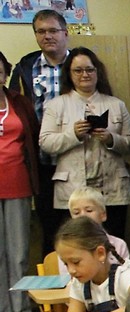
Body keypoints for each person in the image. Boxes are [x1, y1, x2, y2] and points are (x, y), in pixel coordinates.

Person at [38, 46, 130, 238]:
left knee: (113, 241)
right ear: (69, 74)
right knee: (76, 243)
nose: (85, 75)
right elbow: (45, 143)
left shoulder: (116, 104)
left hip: (112, 189)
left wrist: (111, 139)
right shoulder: (56, 105)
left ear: (98, 72)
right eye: (78, 70)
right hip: (72, 191)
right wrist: (73, 135)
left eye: (90, 69)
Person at [10, 8, 69, 255]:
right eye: (41, 31)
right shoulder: (26, 66)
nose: (47, 36)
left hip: (75, 157)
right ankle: (53, 276)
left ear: (65, 33)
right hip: (42, 160)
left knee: (80, 225)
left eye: (53, 30)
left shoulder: (81, 64)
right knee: (49, 226)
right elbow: (15, 108)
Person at [0, 50, 42, 312]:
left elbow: (33, 138)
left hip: (17, 182)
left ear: (5, 73)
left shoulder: (19, 102)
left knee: (18, 252)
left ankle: (21, 309)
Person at [58, 186, 130, 272]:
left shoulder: (119, 245)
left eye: (89, 210)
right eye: (76, 213)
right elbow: (67, 277)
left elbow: (127, 275)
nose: (83, 216)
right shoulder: (66, 246)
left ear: (103, 215)